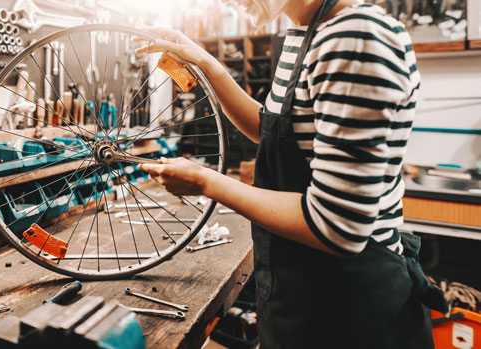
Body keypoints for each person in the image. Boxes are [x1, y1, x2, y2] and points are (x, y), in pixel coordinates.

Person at [135, 0, 448, 347]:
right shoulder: (309, 31)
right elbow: (272, 132)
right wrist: (206, 64)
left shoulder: (355, 37)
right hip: (307, 298)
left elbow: (337, 226)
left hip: (352, 314)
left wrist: (206, 182)